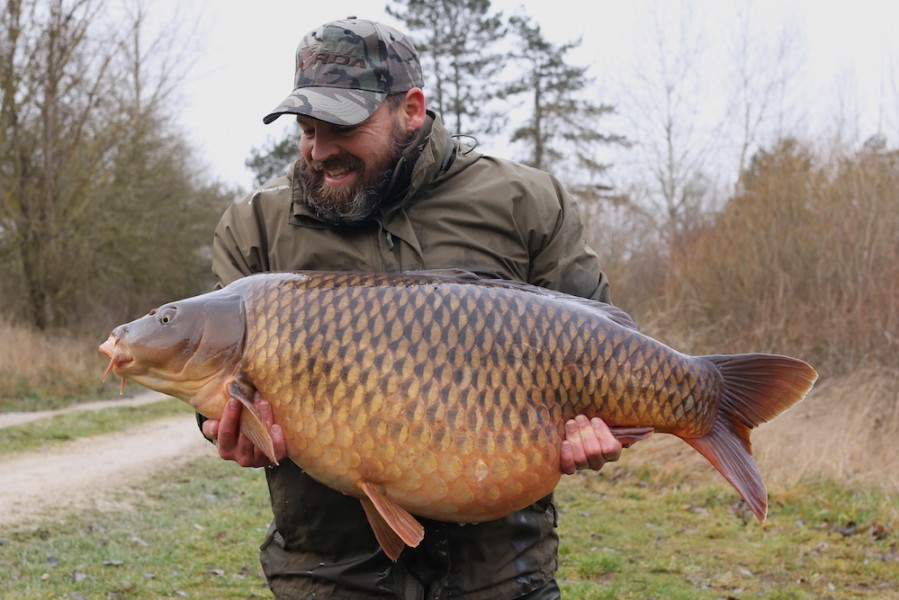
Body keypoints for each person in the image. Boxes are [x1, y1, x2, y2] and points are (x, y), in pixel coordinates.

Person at [200, 16, 634, 599]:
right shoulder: (258, 226)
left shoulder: (524, 202)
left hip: (501, 575)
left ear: (411, 108)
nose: (319, 149)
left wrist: (598, 430)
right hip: (327, 575)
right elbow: (214, 367)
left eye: (340, 125)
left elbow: (607, 354)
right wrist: (217, 425)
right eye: (306, 128)